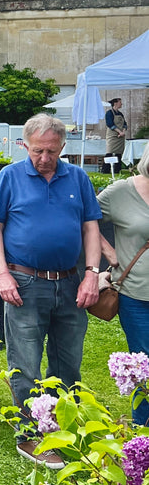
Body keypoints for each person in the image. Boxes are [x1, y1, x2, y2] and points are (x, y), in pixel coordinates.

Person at [0, 113, 102, 469]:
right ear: (25, 146)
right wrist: (2, 274)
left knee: (68, 362)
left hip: (70, 282)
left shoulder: (77, 178)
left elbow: (90, 228)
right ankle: (30, 435)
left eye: (52, 151)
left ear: (63, 147)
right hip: (24, 282)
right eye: (37, 151)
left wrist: (92, 274)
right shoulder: (10, 176)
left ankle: (63, 429)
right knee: (25, 363)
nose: (44, 158)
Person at [98, 149, 149, 423]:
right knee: (144, 368)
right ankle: (143, 434)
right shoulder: (121, 192)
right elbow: (85, 219)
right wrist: (107, 250)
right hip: (137, 296)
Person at [106, 97, 128, 163]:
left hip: (120, 136)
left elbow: (125, 124)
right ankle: (106, 169)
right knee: (109, 152)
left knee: (119, 153)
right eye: (120, 102)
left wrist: (123, 132)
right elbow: (110, 124)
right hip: (112, 136)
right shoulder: (109, 113)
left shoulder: (120, 114)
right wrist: (119, 132)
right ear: (115, 103)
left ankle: (117, 169)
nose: (121, 104)